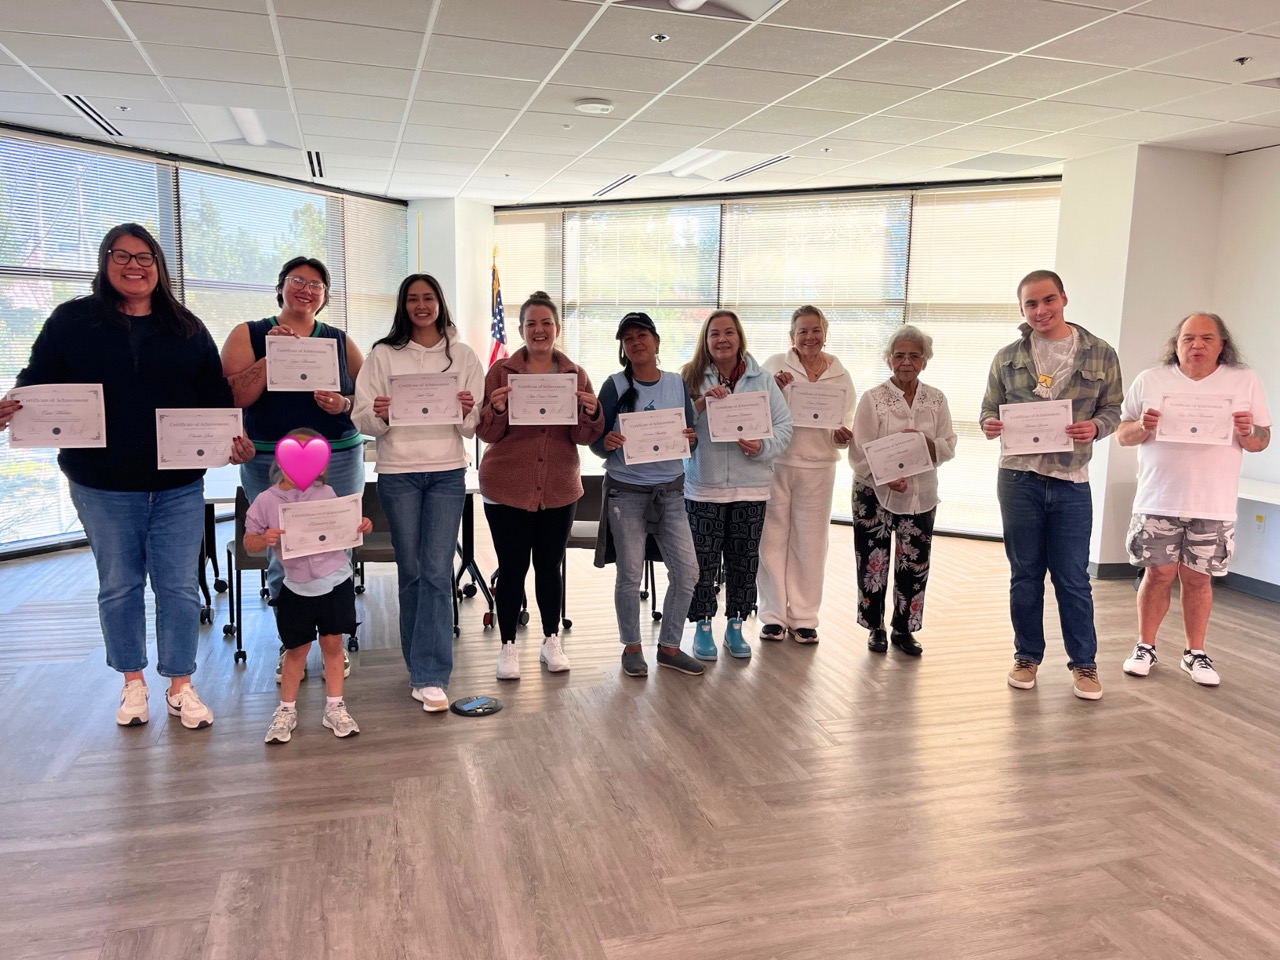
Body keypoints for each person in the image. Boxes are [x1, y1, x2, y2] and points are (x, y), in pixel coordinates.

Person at [1, 223, 252, 729]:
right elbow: (36, 379)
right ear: (105, 261)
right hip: (101, 483)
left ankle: (180, 684)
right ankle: (132, 683)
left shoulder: (185, 326)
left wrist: (231, 439)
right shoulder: (71, 321)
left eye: (145, 258)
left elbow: (215, 398)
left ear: (158, 266)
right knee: (120, 584)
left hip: (179, 483)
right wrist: (14, 405)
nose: (135, 266)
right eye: (123, 256)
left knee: (179, 586)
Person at [220, 256, 365, 680]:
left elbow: (369, 394)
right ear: (281, 286)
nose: (306, 289)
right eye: (297, 280)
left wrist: (345, 404)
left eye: (316, 285)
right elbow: (234, 397)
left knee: (336, 544)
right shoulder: (250, 333)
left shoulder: (339, 339)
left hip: (337, 456)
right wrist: (272, 354)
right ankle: (294, 644)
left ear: (325, 297)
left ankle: (335, 644)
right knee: (284, 550)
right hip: (268, 459)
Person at [981, 269, 1123, 701]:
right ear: (1022, 308)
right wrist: (989, 425)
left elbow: (1113, 410)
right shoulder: (1007, 356)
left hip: (1071, 481)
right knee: (1025, 575)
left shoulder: (1100, 353)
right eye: (1030, 304)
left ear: (1063, 298)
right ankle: (1027, 656)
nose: (1040, 311)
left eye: (1047, 301)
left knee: (1073, 578)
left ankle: (1085, 665)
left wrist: (1096, 427)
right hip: (1018, 479)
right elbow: (988, 410)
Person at [1116, 313, 1271, 687]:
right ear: (1176, 343)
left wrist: (1247, 430)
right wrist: (1143, 427)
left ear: (1222, 344)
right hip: (1157, 498)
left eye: (1206, 338)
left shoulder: (1243, 381)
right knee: (1157, 575)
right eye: (1188, 338)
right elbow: (1122, 434)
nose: (1196, 345)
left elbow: (1262, 440)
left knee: (1199, 580)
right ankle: (1144, 647)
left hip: (1212, 503)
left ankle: (1195, 653)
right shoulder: (1150, 380)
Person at [352, 274, 484, 711]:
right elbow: (361, 417)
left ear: (440, 304)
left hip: (447, 471)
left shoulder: (462, 356)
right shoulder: (383, 354)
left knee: (435, 572)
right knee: (411, 572)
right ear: (403, 306)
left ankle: (431, 674)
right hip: (398, 472)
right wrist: (381, 415)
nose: (421, 306)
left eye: (428, 298)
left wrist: (468, 411)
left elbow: (472, 425)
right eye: (413, 299)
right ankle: (418, 666)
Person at [477, 291, 603, 680]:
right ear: (520, 330)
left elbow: (583, 436)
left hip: (558, 487)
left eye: (546, 322)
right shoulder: (501, 373)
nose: (539, 330)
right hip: (506, 486)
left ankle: (551, 641)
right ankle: (508, 646)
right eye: (531, 323)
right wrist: (496, 409)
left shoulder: (575, 374)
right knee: (512, 569)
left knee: (550, 566)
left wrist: (593, 411)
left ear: (557, 329)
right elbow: (486, 432)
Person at [590, 312, 704, 677]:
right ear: (623, 348)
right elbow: (596, 441)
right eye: (628, 339)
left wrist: (690, 439)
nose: (636, 342)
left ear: (656, 341)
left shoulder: (676, 383)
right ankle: (632, 647)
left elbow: (692, 438)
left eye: (642, 335)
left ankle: (670, 647)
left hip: (670, 492)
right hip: (626, 493)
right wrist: (605, 443)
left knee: (688, 571)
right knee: (630, 575)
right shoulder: (613, 385)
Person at [245, 429, 373, 742]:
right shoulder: (265, 501)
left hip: (335, 583)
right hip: (297, 588)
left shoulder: (327, 493)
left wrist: (362, 526)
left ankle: (335, 707)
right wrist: (265, 539)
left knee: (332, 646)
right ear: (281, 460)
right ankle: (286, 711)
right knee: (295, 651)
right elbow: (249, 542)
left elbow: (344, 531)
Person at [681, 309, 793, 662]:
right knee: (703, 563)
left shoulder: (762, 381)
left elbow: (784, 427)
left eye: (729, 332)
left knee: (744, 562)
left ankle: (735, 624)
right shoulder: (690, 377)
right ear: (706, 340)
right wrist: (701, 405)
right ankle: (701, 625)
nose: (722, 339)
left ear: (740, 337)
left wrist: (763, 449)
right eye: (714, 333)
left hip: (751, 488)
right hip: (703, 487)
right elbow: (677, 430)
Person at [850, 325, 956, 656]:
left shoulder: (936, 399)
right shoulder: (873, 398)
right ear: (889, 359)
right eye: (899, 355)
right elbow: (859, 449)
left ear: (925, 360)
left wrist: (925, 442)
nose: (906, 361)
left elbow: (949, 445)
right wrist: (884, 476)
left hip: (920, 494)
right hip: (873, 492)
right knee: (872, 562)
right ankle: (875, 628)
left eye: (914, 355)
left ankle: (903, 628)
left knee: (915, 564)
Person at [759, 305, 854, 644]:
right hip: (777, 464)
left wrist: (843, 436)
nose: (810, 337)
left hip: (819, 468)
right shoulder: (773, 366)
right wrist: (774, 388)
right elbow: (755, 409)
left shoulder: (840, 374)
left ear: (825, 333)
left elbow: (846, 421)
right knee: (771, 541)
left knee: (811, 544)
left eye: (816, 330)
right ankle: (772, 615)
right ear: (792, 336)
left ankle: (803, 616)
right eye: (803, 331)